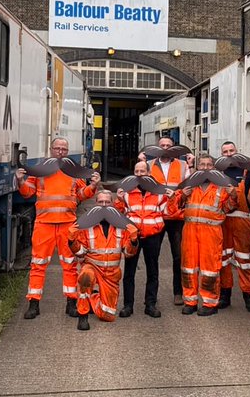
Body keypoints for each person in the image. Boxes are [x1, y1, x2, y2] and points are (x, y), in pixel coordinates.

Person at [16, 137, 100, 319]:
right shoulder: (41, 170)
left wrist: (92, 186)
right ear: (51, 149)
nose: (60, 151)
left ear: (67, 151)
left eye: (64, 149)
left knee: (70, 265)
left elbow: (80, 194)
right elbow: (28, 192)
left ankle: (71, 303)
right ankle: (33, 304)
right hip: (44, 224)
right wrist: (21, 181)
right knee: (38, 265)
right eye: (57, 148)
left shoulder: (71, 170)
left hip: (67, 225)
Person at [164, 154, 236, 315]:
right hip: (189, 230)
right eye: (202, 165)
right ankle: (190, 301)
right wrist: (182, 195)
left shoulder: (222, 187)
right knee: (188, 267)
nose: (205, 168)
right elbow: (174, 207)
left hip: (211, 232)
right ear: (197, 168)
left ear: (214, 168)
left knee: (210, 268)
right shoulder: (189, 186)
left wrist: (233, 195)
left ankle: (210, 304)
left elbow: (229, 207)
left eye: (209, 165)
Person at [69, 190, 139, 331]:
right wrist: (71, 241)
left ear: (112, 205)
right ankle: (83, 315)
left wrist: (134, 241)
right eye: (101, 202)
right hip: (92, 267)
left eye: (107, 202)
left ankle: (93, 297)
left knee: (107, 316)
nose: (104, 206)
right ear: (96, 204)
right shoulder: (86, 225)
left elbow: (128, 253)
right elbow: (80, 253)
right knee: (85, 277)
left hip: (111, 275)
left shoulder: (121, 226)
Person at [143, 136, 194, 306]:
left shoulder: (182, 165)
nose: (165, 148)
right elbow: (142, 187)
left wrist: (176, 196)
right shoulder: (148, 166)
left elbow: (188, 188)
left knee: (178, 256)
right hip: (156, 214)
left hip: (176, 216)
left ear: (174, 149)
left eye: (168, 146)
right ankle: (152, 296)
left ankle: (178, 292)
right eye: (162, 146)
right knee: (153, 256)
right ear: (157, 148)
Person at [115, 161, 168, 318]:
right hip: (133, 237)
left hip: (153, 237)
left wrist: (173, 199)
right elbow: (119, 214)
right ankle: (128, 305)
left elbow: (168, 212)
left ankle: (150, 304)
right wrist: (118, 200)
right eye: (136, 171)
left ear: (149, 173)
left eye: (142, 171)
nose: (139, 174)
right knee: (129, 272)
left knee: (153, 271)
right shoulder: (126, 192)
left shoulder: (159, 192)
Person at [218, 141, 250, 312]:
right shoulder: (218, 173)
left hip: (242, 221)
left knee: (245, 261)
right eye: (225, 151)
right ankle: (224, 295)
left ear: (237, 151)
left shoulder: (247, 173)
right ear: (222, 154)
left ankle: (249, 296)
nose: (229, 154)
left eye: (231, 151)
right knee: (223, 259)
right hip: (223, 220)